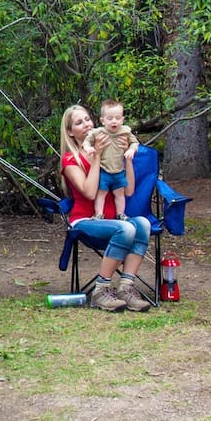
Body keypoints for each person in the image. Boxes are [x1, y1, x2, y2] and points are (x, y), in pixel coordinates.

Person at [58, 104, 151, 312]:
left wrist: (125, 156)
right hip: (85, 221)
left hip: (113, 220)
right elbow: (90, 193)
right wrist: (97, 156)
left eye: (87, 119)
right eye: (78, 122)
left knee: (142, 224)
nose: (86, 124)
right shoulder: (71, 160)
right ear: (71, 132)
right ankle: (101, 291)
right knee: (126, 228)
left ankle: (126, 287)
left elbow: (128, 191)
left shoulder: (112, 150)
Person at [85, 99, 137, 220]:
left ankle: (121, 214)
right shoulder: (98, 132)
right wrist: (88, 148)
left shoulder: (125, 131)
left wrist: (131, 150)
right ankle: (98, 214)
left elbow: (135, 143)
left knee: (119, 193)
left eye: (117, 118)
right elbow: (87, 139)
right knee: (101, 193)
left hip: (119, 170)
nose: (114, 121)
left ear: (122, 119)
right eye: (110, 118)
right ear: (103, 120)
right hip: (104, 169)